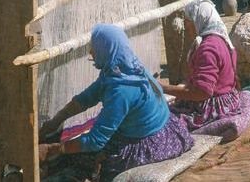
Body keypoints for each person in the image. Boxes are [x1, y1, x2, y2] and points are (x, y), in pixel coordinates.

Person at [38, 24, 194, 182]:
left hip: (153, 142)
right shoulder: (124, 68)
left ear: (107, 49)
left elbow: (96, 140)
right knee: (75, 153)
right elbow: (87, 97)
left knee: (86, 161)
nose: (91, 52)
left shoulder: (121, 90)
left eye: (95, 48)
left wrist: (55, 149)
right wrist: (56, 120)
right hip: (164, 128)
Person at [161, 0, 241, 130]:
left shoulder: (208, 48)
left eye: (188, 21)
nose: (186, 27)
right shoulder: (221, 38)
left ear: (198, 20)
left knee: (164, 122)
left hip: (213, 107)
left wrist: (164, 89)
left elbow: (202, 93)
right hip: (229, 98)